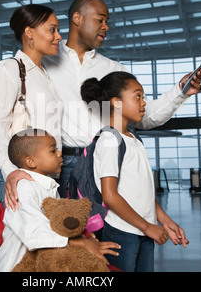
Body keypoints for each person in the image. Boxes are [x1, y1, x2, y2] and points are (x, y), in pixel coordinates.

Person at [5, 0, 201, 205]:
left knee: (108, 233)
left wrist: (180, 92)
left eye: (106, 21)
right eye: (100, 20)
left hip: (106, 163)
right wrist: (13, 168)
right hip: (58, 165)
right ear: (77, 18)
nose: (106, 27)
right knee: (66, 232)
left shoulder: (114, 70)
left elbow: (144, 118)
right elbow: (10, 118)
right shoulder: (42, 63)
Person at [80, 71, 189, 272]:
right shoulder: (110, 140)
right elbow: (110, 196)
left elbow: (142, 191)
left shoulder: (134, 139)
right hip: (122, 233)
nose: (144, 103)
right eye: (138, 96)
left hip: (143, 229)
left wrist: (164, 221)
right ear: (116, 102)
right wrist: (148, 227)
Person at [0, 128, 120, 272]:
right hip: (16, 266)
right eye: (53, 150)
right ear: (31, 161)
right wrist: (81, 243)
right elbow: (34, 232)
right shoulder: (24, 189)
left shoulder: (48, 186)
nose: (60, 153)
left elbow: (58, 225)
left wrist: (83, 235)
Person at [0, 4, 63, 208]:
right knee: (25, 238)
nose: (59, 37)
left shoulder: (45, 74)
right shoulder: (10, 68)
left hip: (47, 176)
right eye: (52, 29)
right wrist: (11, 171)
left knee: (48, 238)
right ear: (29, 32)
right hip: (21, 176)